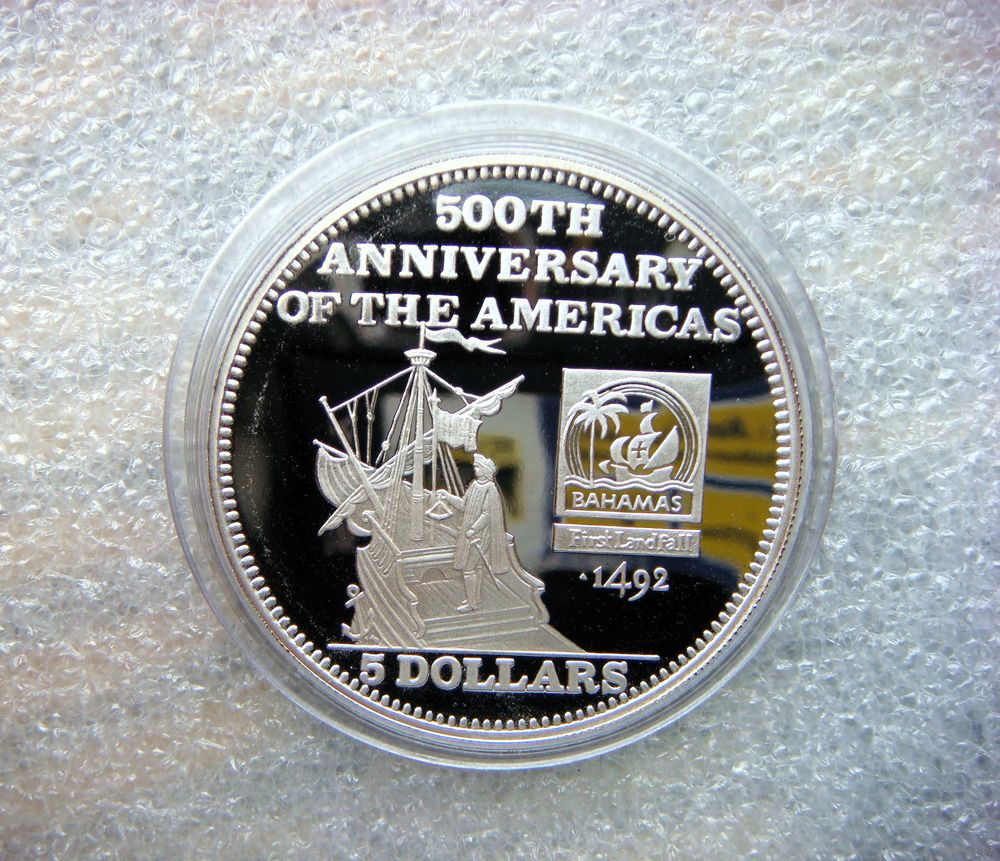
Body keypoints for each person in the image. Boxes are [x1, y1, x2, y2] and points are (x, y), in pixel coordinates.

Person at [453, 454, 511, 612]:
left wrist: (474, 529)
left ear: (485, 470)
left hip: (480, 535)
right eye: (475, 466)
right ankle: (476, 598)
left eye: (478, 467)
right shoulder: (474, 485)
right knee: (476, 566)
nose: (475, 469)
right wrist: (448, 497)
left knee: (468, 568)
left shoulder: (490, 488)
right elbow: (463, 505)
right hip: (470, 533)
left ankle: (471, 603)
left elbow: (487, 514)